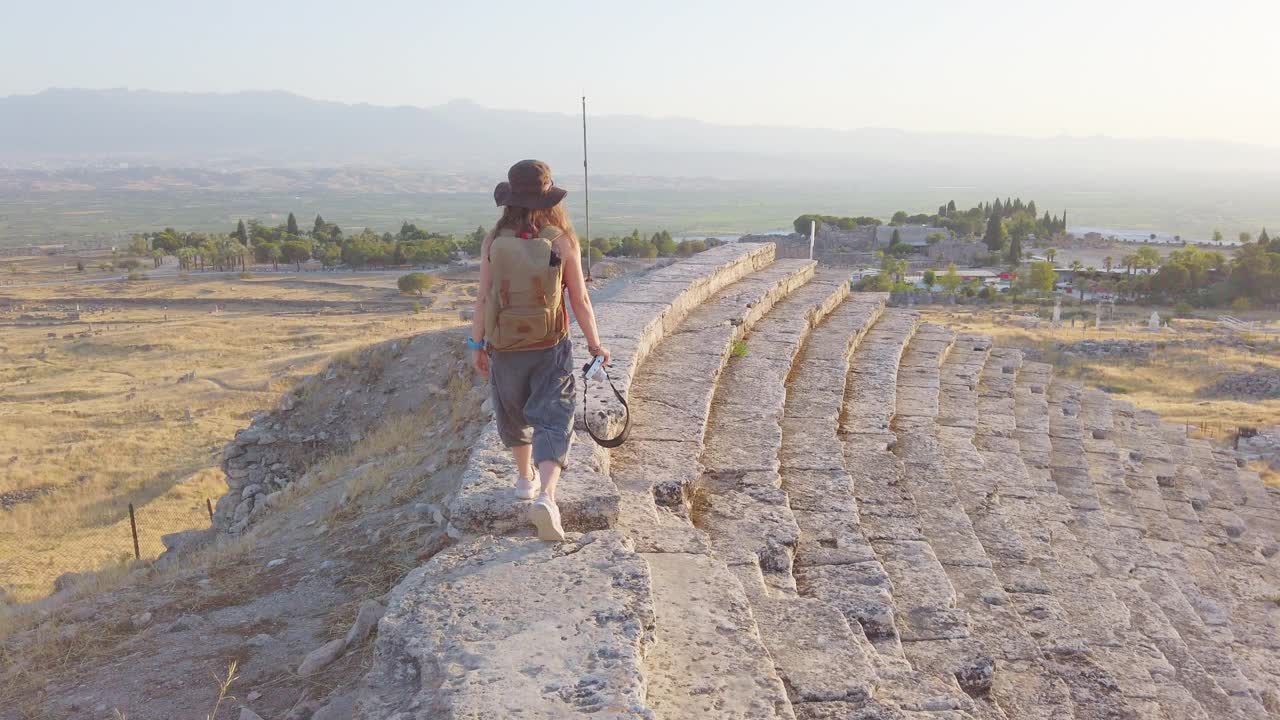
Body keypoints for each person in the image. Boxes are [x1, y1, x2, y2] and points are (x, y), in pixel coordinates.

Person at [468, 160, 610, 542]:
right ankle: (547, 495)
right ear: (549, 197)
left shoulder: (494, 240)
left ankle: (523, 478)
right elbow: (578, 298)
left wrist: (476, 343)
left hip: (504, 344)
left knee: (511, 410)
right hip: (549, 343)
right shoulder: (561, 239)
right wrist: (595, 344)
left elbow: (482, 298)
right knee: (553, 415)